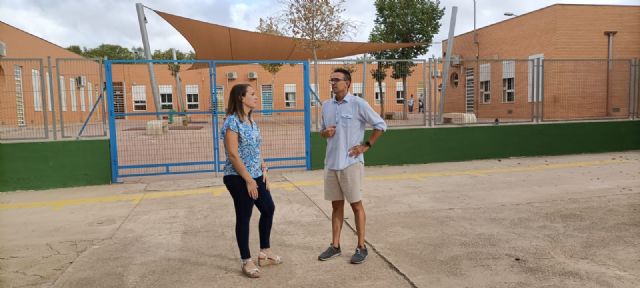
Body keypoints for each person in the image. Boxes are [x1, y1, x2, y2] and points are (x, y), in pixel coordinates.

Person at [318, 68, 387, 264]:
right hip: (331, 164)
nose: (332, 83)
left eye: (336, 80)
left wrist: (366, 146)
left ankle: (361, 247)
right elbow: (322, 131)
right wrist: (325, 133)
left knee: (356, 205)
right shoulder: (326, 106)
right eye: (331, 80)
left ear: (347, 83)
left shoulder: (358, 104)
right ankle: (335, 245)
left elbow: (380, 125)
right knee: (336, 205)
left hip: (351, 164)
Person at [222, 84, 281, 278]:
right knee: (244, 216)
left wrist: (264, 169)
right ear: (241, 97)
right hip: (237, 177)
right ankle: (246, 261)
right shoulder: (232, 122)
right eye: (253, 94)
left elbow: (256, 150)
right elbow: (233, 154)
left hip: (256, 174)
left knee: (268, 209)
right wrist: (248, 179)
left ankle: (264, 252)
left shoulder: (251, 120)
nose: (256, 97)